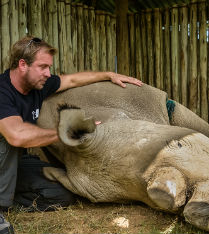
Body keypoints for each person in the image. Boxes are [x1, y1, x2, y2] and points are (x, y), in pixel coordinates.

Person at [0, 36, 142, 234]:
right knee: (6, 139)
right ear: (22, 64)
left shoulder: (37, 86)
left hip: (14, 164)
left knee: (62, 194)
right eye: (43, 67)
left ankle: (8, 200)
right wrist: (65, 132)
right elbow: (17, 136)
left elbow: (73, 79)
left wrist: (109, 74)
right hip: (5, 155)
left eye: (49, 67)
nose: (48, 73)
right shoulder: (2, 91)